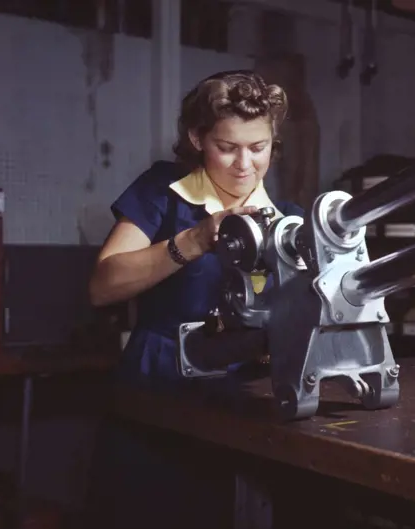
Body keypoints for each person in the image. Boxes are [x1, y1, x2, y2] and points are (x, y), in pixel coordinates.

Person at [83, 70, 303, 528]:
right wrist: (196, 240)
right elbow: (103, 286)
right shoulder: (163, 192)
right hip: (158, 391)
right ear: (197, 137)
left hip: (246, 400)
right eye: (227, 147)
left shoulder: (290, 221)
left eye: (258, 147)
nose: (245, 164)